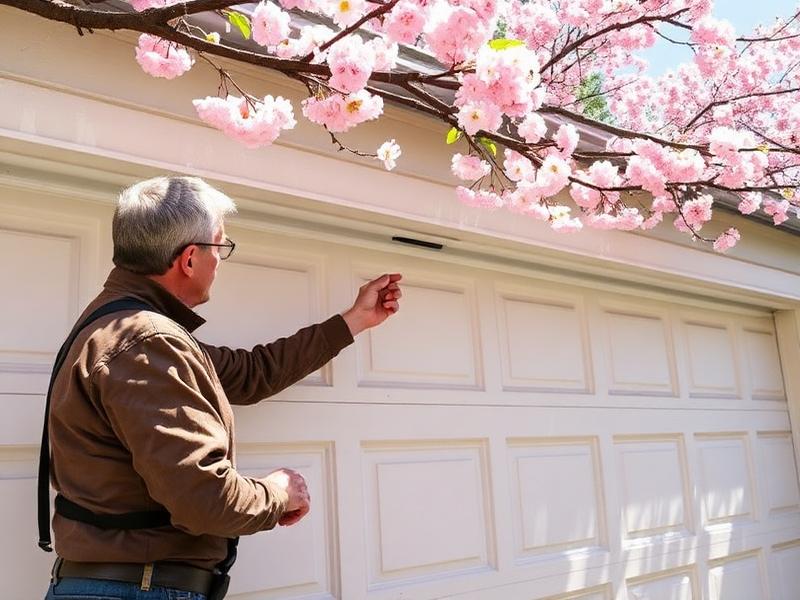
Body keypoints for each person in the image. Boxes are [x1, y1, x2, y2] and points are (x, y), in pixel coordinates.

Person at [41, 176, 402, 600]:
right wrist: (277, 493)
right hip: (140, 588)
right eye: (220, 246)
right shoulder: (147, 341)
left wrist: (355, 320)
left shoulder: (121, 327)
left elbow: (249, 373)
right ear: (189, 259)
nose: (220, 260)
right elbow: (204, 499)